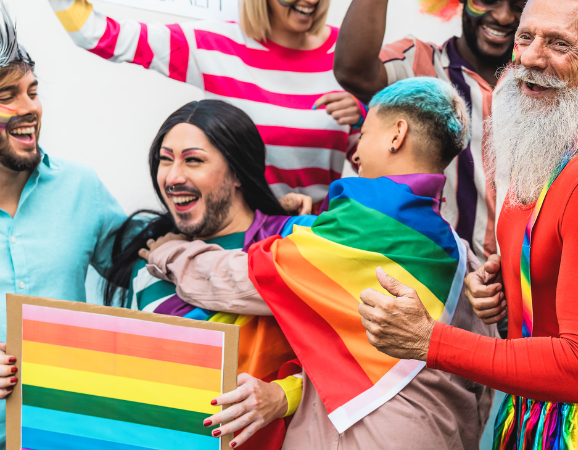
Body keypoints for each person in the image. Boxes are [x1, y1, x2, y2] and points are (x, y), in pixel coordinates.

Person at [354, 0, 578, 448]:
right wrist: (511, 286)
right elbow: (552, 265)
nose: (529, 57)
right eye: (526, 38)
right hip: (532, 411)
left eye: (559, 43)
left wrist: (430, 340)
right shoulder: (552, 139)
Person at [141, 77, 497, 450]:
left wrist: (168, 252)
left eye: (364, 134)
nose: (355, 154)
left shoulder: (351, 232)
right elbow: (481, 376)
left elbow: (237, 280)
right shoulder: (460, 254)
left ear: (397, 135)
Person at [334, 0, 578, 261]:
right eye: (485, 0)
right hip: (442, 273)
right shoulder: (422, 62)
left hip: (531, 283)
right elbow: (354, 71)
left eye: (516, 5)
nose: (501, 16)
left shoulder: (562, 69)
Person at [102, 99, 314, 450]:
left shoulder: (296, 238)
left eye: (193, 160)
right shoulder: (148, 258)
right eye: (165, 160)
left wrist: (284, 395)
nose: (172, 177)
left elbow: (350, 353)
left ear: (237, 173)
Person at [48, 0, 365, 211]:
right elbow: (97, 36)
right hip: (237, 246)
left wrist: (364, 117)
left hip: (317, 243)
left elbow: (377, 162)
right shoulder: (213, 44)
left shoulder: (348, 57)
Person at [0, 5, 127, 448]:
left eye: (33, 92)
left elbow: (145, 268)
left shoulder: (81, 187)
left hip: (67, 434)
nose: (28, 108)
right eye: (7, 96)